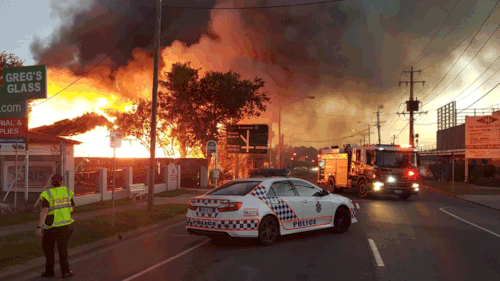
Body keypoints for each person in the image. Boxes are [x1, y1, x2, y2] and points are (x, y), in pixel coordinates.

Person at [35, 174, 75, 279]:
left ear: (51, 183)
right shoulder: (67, 192)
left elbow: (44, 211)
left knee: (48, 250)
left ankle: (49, 271)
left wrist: (39, 227)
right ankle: (65, 272)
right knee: (63, 250)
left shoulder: (47, 194)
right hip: (65, 226)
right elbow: (71, 207)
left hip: (50, 226)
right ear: (62, 182)